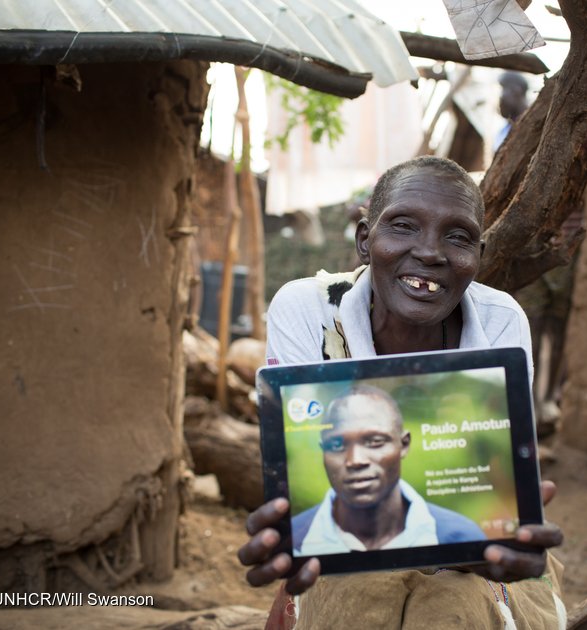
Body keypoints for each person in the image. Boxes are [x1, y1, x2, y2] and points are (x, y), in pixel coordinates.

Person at [239, 156, 565, 629]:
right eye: (404, 226)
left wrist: (492, 538)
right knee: (355, 593)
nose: (430, 252)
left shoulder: (502, 320)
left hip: (458, 557)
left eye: (458, 237)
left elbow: (491, 497)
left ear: (479, 254)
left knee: (455, 605)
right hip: (353, 545)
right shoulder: (309, 310)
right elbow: (303, 485)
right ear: (364, 240)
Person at [292, 384, 485, 556]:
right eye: (336, 445)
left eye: (375, 442)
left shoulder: (460, 537)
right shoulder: (294, 541)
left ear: (404, 444)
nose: (355, 460)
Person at [493, 72, 528, 152]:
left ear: (516, 91)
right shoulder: (503, 131)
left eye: (502, 89)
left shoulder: (533, 125)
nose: (500, 97)